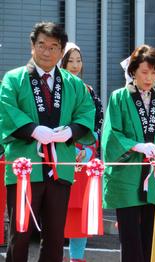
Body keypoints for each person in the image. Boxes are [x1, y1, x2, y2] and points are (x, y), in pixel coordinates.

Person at [0, 21, 95, 262]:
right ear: (32, 46)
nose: (46, 51)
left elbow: (86, 113)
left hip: (60, 168)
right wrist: (33, 129)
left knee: (54, 236)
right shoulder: (13, 79)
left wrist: (70, 131)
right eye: (41, 44)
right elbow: (6, 109)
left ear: (61, 51)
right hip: (25, 168)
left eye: (54, 47)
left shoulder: (74, 84)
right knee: (20, 234)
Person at [102, 44, 155, 262]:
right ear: (133, 72)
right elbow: (112, 134)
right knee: (130, 238)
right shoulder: (119, 97)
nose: (149, 78)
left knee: (151, 235)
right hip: (127, 177)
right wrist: (137, 146)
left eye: (154, 72)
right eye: (144, 72)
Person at [60, 43, 104, 262]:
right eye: (71, 61)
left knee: (81, 214)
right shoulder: (54, 90)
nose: (76, 65)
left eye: (79, 60)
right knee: (56, 212)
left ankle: (76, 258)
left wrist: (87, 149)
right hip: (58, 158)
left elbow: (97, 125)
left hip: (84, 160)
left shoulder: (88, 90)